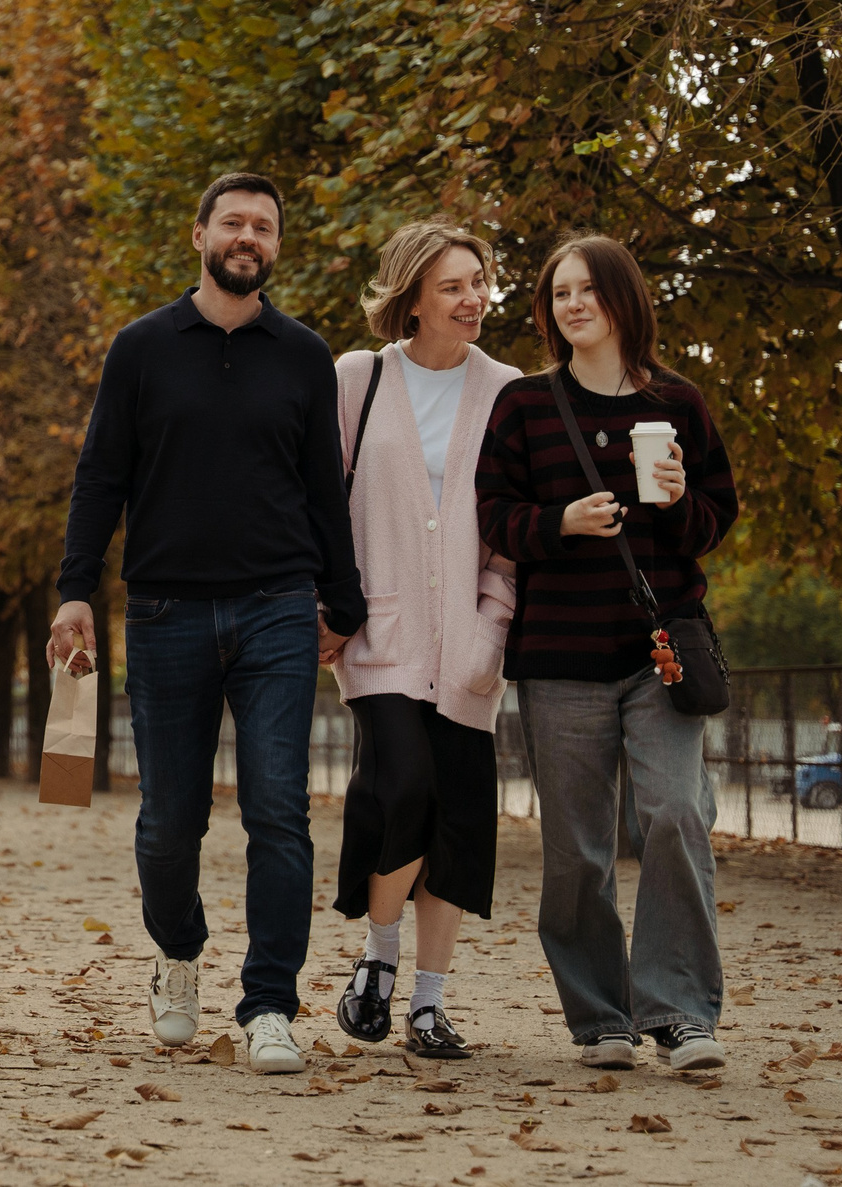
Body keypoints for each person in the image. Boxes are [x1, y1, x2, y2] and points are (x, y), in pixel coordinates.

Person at [49, 170, 366, 1075]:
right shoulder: (141, 347)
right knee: (169, 821)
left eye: (263, 226)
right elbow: (99, 474)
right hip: (163, 611)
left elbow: (323, 492)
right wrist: (77, 587)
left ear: (273, 245)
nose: (248, 236)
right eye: (233, 221)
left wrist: (344, 604)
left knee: (279, 812)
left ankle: (270, 1002)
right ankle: (179, 952)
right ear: (199, 235)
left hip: (276, 608)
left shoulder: (304, 354)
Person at [475, 233, 738, 1073]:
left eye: (588, 289)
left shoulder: (681, 403)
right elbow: (495, 515)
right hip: (559, 657)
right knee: (578, 847)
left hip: (659, 650)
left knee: (675, 815)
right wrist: (559, 523)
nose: (573, 304)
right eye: (559, 293)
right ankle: (600, 1017)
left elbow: (714, 520)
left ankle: (681, 1011)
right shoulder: (525, 405)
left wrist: (675, 501)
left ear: (624, 299)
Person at [319, 223, 520, 1061]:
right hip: (383, 630)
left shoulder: (509, 389)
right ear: (412, 295)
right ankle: (379, 956)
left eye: (478, 281)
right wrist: (328, 604)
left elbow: (509, 525)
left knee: (460, 819)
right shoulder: (357, 380)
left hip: (470, 640)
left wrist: (494, 618)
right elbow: (320, 504)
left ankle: (428, 1005)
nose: (472, 298)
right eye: (452, 286)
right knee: (402, 782)